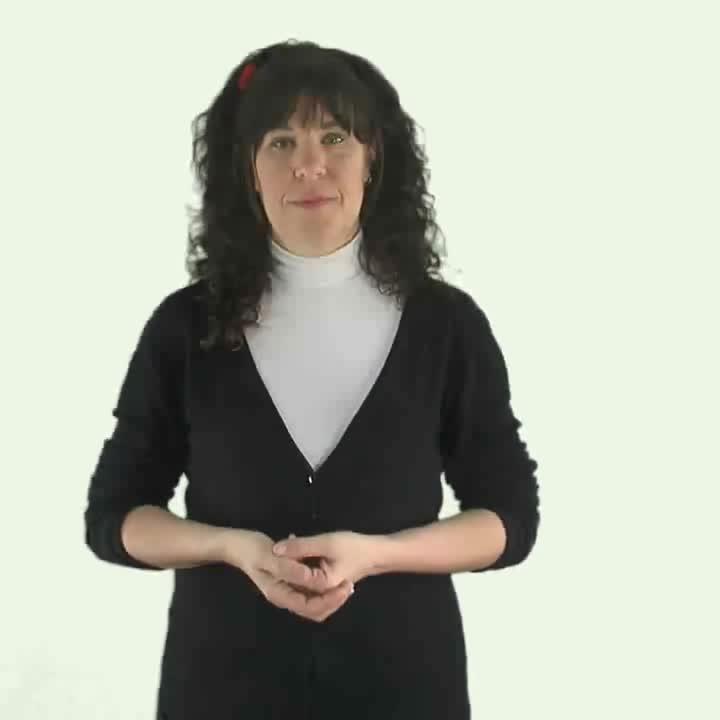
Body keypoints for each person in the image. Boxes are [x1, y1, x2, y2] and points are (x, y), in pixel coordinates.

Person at [84, 39, 541, 720]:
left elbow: (510, 518)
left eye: (333, 137)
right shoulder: (185, 328)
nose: (308, 165)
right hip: (222, 690)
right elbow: (114, 516)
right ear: (248, 167)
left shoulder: (447, 326)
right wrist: (228, 546)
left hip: (405, 688)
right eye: (280, 142)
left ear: (373, 156)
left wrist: (378, 555)